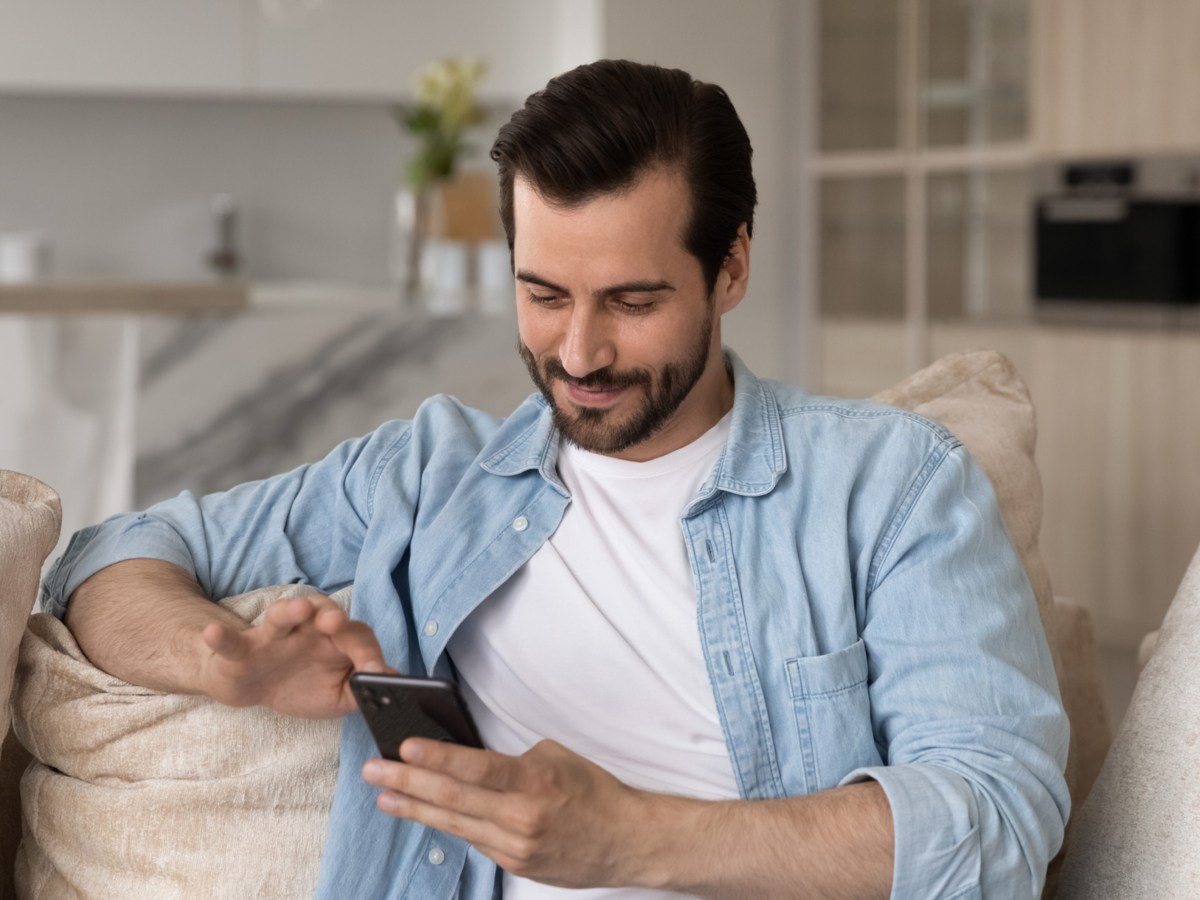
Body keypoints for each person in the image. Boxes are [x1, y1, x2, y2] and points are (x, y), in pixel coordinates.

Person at [43, 59, 1069, 899]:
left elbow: (995, 823)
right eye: (543, 293)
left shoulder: (891, 487)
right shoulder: (430, 473)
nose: (579, 352)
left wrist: (630, 839)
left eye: (632, 300)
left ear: (732, 269)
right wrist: (223, 662)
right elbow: (104, 560)